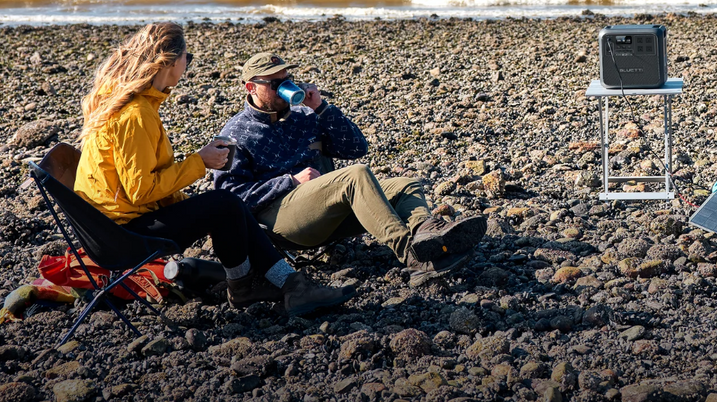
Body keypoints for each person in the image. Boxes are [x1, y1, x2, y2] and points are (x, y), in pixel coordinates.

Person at [74, 22, 355, 315]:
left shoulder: (133, 106)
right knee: (224, 204)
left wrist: (191, 203)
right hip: (121, 235)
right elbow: (140, 190)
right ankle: (261, 285)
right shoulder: (136, 115)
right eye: (188, 58)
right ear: (170, 63)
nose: (188, 65)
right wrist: (201, 162)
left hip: (110, 226)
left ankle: (274, 285)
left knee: (226, 205)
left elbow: (136, 186)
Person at [214, 52, 484, 284]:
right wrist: (290, 182)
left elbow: (356, 148)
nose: (285, 86)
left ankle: (430, 237)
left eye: (288, 80)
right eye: (276, 83)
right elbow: (229, 199)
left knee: (406, 185)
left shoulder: (305, 116)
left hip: (325, 208)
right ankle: (413, 258)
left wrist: (321, 108)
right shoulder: (236, 134)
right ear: (251, 87)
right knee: (356, 175)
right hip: (283, 221)